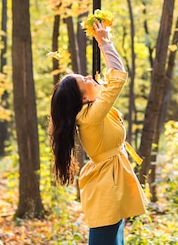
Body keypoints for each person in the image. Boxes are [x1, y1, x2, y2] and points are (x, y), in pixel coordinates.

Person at [49, 20, 147, 245]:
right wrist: (104, 42)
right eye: (83, 81)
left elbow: (106, 86)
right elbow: (118, 77)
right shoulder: (90, 117)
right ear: (83, 98)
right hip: (106, 187)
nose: (88, 77)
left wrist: (102, 40)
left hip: (112, 182)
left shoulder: (90, 111)